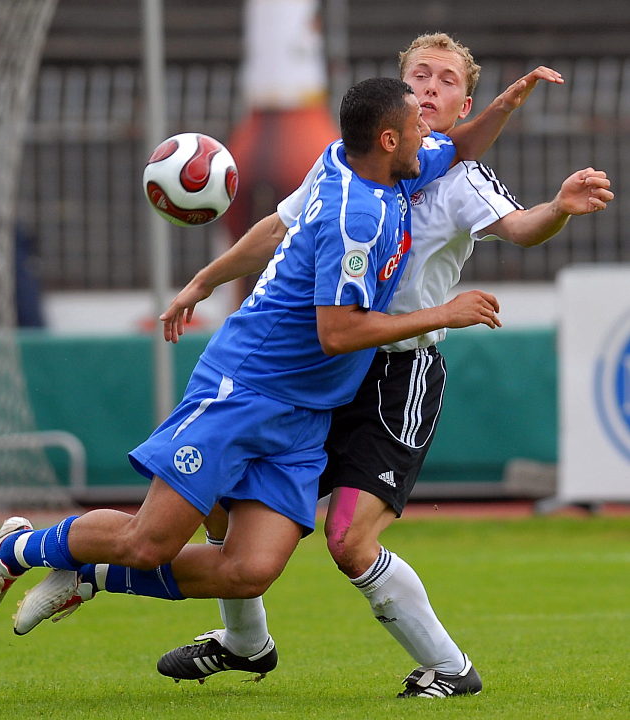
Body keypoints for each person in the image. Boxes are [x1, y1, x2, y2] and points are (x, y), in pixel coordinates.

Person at [0, 79, 503, 655]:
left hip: (304, 411)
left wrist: (506, 103)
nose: (430, 131)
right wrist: (442, 313)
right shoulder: (357, 217)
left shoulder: (377, 162)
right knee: (149, 542)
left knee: (247, 570)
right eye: (417, 126)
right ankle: (19, 548)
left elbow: (460, 146)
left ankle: (88, 574)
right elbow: (337, 332)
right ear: (389, 138)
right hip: (248, 386)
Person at [154, 35, 614, 698]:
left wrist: (558, 209)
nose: (429, 87)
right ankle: (245, 643)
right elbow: (279, 229)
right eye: (418, 75)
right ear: (396, 102)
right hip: (327, 365)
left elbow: (520, 226)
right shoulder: (347, 162)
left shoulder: (459, 177)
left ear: (463, 101)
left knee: (347, 540)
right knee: (224, 505)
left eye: (446, 80)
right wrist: (202, 280)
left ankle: (450, 670)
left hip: (398, 375)